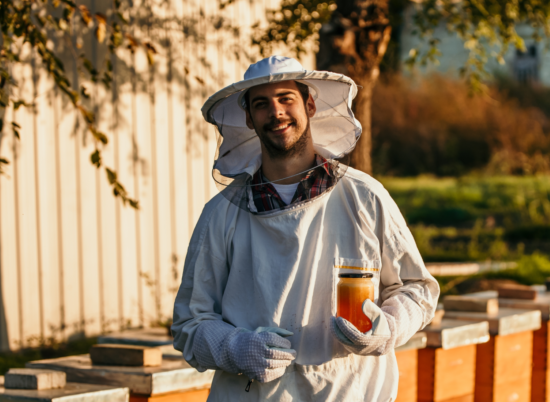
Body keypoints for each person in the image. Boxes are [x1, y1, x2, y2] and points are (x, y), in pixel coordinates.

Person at [172, 55, 439, 401]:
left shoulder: (364, 196)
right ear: (249, 119)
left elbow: (416, 289)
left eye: (286, 99)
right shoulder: (221, 213)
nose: (276, 112)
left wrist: (386, 329)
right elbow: (189, 323)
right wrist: (235, 348)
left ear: (310, 104)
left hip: (351, 392)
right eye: (261, 104)